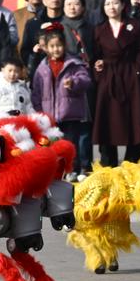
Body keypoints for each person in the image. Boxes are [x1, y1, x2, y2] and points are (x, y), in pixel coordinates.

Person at [91, 0, 140, 166]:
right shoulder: (99, 29)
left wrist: (137, 70)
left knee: (133, 119)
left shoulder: (134, 25)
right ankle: (108, 163)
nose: (112, 7)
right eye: (107, 4)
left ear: (123, 5)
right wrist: (98, 66)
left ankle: (133, 161)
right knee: (108, 120)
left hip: (130, 76)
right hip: (108, 77)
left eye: (115, 3)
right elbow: (95, 55)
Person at [33, 28, 93, 176]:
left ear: (64, 45)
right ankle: (54, 172)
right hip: (49, 116)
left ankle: (73, 170)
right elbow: (36, 91)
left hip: (70, 114)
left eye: (59, 45)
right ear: (46, 48)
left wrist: (74, 82)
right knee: (51, 145)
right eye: (52, 46)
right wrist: (39, 111)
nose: (56, 49)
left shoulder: (73, 63)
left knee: (70, 145)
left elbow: (86, 80)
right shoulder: (42, 67)